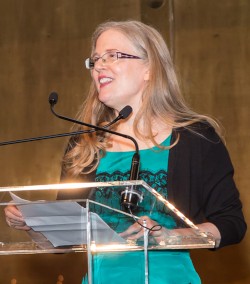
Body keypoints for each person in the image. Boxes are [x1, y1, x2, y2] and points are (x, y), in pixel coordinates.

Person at [5, 20, 246, 284]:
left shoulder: (195, 138)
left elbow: (231, 224)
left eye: (113, 56)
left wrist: (168, 236)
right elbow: (63, 244)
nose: (99, 66)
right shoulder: (85, 144)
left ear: (149, 69)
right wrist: (32, 225)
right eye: (95, 59)